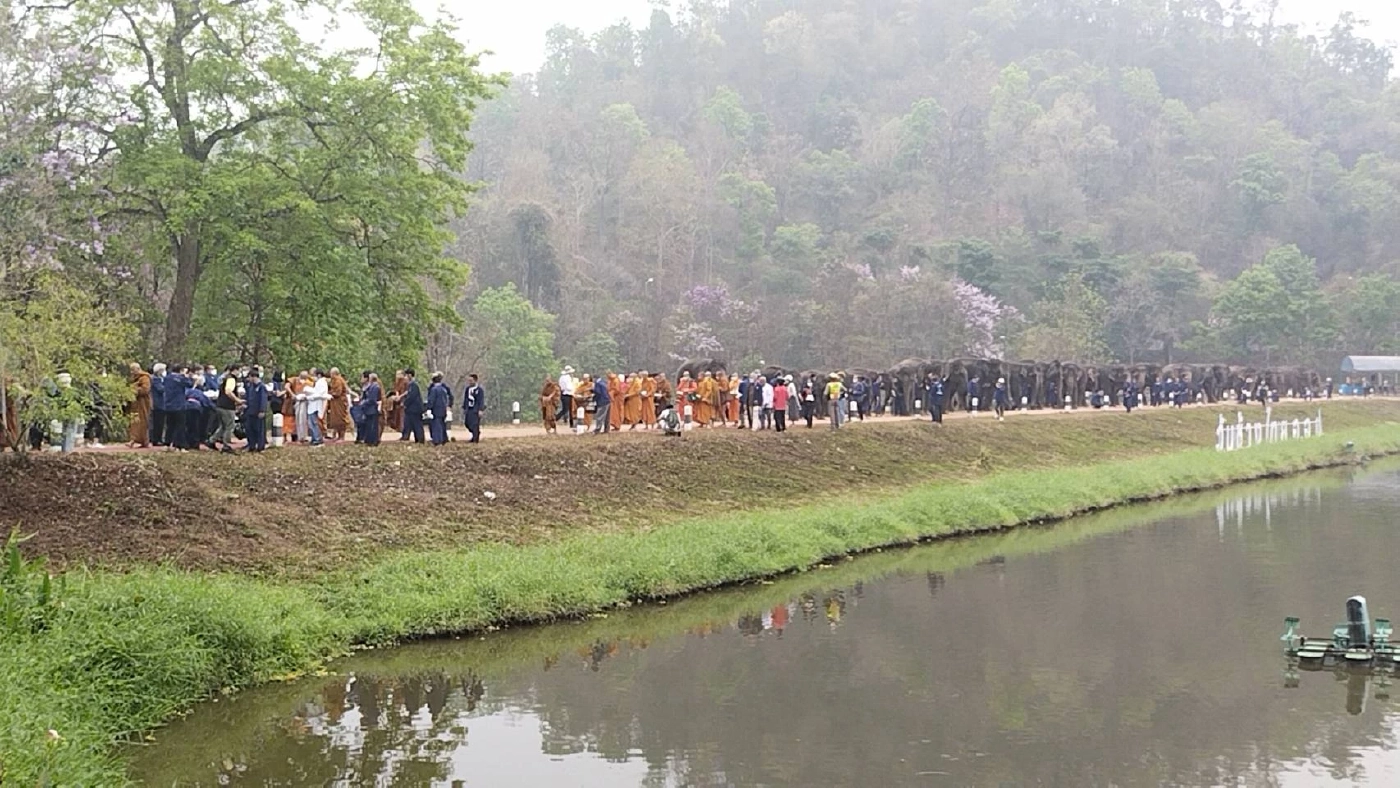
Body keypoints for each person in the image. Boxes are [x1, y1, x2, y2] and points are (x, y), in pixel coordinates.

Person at [213, 363, 242, 454]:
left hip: (220, 405)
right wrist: (237, 400)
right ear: (235, 370)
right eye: (239, 370)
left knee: (223, 426)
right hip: (227, 406)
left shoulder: (224, 378)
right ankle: (226, 445)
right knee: (229, 426)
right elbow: (228, 391)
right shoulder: (231, 379)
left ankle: (211, 441)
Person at [127, 362, 152, 448]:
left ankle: (140, 440)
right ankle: (135, 439)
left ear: (138, 369)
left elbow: (146, 389)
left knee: (143, 421)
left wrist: (135, 389)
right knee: (134, 421)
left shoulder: (145, 378)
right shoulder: (133, 378)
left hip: (143, 403)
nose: (132, 372)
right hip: (135, 403)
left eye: (133, 370)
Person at [243, 368, 269, 452]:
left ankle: (261, 447)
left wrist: (262, 410)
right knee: (250, 429)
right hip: (250, 411)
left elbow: (263, 399)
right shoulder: (250, 386)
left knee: (259, 430)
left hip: (258, 411)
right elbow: (248, 397)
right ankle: (251, 445)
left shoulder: (261, 387)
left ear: (254, 377)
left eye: (250, 377)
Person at [399, 369, 425, 443]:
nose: (405, 378)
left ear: (410, 375)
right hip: (411, 409)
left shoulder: (413, 385)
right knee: (408, 423)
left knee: (417, 424)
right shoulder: (410, 385)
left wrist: (404, 403)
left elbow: (411, 397)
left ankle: (420, 439)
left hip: (415, 409)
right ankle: (406, 436)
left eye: (406, 376)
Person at [326, 368, 351, 441]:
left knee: (341, 419)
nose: (330, 375)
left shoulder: (339, 380)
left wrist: (329, 393)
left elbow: (338, 392)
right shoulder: (334, 380)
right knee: (336, 419)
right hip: (335, 403)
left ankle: (342, 437)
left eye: (331, 374)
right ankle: (338, 436)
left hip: (340, 402)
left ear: (334, 373)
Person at [359, 372, 383, 446]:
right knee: (369, 425)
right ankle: (369, 440)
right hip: (369, 409)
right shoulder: (371, 386)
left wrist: (363, 402)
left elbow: (372, 399)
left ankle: (373, 441)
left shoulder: (375, 387)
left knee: (373, 425)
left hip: (372, 409)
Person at [149, 363, 169, 446]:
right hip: (158, 403)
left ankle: (159, 438)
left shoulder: (161, 379)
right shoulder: (155, 379)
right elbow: (161, 389)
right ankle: (156, 439)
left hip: (162, 403)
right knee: (158, 422)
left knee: (161, 422)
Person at [464, 374, 484, 443]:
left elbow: (481, 400)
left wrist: (480, 409)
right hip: (469, 409)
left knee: (475, 424)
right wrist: (464, 407)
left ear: (475, 381)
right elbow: (466, 398)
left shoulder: (479, 390)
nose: (469, 382)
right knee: (467, 423)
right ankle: (475, 433)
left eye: (471, 380)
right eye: (469, 380)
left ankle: (475, 439)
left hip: (475, 409)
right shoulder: (467, 389)